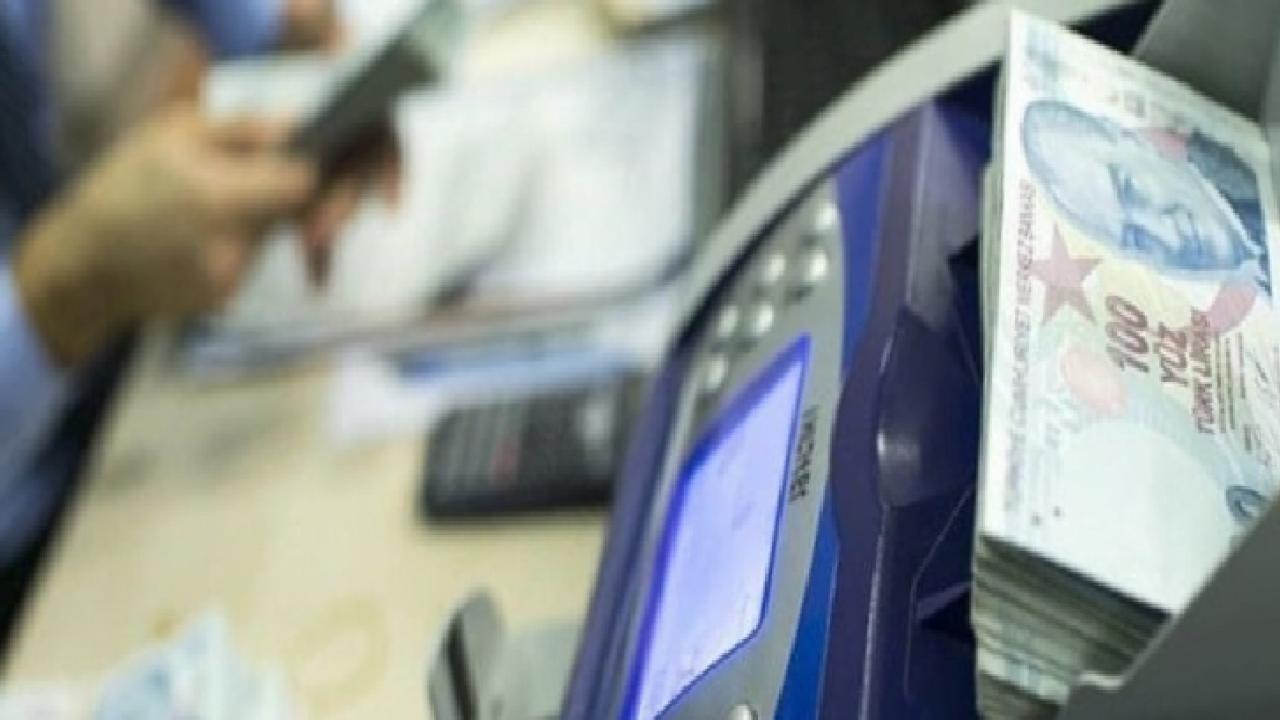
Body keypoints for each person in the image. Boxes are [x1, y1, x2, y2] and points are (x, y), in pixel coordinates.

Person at [0, 0, 352, 638]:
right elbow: (62, 284)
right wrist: (55, 296)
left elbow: (267, 27)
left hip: (124, 422)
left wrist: (275, 35)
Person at [1021, 98, 1271, 296]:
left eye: (1132, 191)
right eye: (1136, 238)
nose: (1164, 233)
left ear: (1137, 143)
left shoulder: (1254, 160)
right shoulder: (1257, 283)